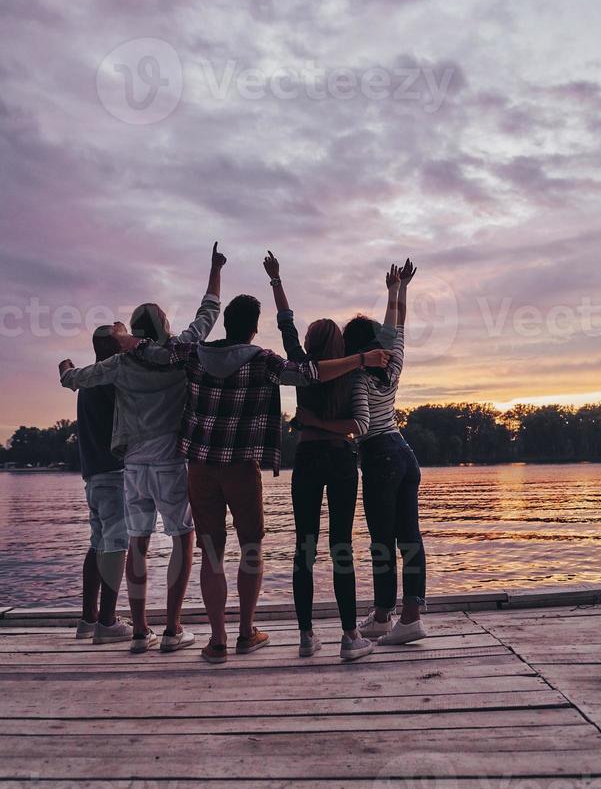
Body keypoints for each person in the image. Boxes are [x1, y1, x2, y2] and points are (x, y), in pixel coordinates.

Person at [119, 255, 391, 666]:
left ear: (226, 324)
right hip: (243, 469)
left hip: (201, 470)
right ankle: (248, 632)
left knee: (211, 553)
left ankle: (217, 642)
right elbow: (311, 373)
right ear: (252, 328)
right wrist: (359, 360)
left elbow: (158, 352)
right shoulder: (263, 361)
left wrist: (129, 341)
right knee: (253, 549)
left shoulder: (194, 354)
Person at [59, 243, 223, 654]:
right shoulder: (180, 352)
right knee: (183, 539)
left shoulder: (119, 365)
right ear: (162, 326)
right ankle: (172, 629)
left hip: (132, 466)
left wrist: (64, 368)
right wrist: (215, 269)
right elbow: (208, 313)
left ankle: (137, 631)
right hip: (170, 459)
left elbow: (74, 379)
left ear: (134, 329)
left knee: (137, 542)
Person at [263, 251, 374, 662]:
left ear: (310, 345)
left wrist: (276, 279)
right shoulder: (353, 373)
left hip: (308, 460)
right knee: (341, 547)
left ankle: (307, 636)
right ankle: (349, 637)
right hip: (342, 462)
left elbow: (285, 322)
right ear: (340, 344)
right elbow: (357, 426)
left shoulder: (301, 366)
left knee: (304, 547)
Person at [346, 259, 427, 644]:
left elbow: (361, 425)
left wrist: (327, 429)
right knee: (409, 536)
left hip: (379, 455)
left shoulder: (357, 377)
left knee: (382, 540)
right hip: (406, 453)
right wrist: (399, 289)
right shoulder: (393, 364)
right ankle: (410, 615)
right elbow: (398, 324)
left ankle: (382, 615)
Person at [72, 325, 131, 645]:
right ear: (113, 345)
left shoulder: (87, 380)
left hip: (93, 476)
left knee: (98, 544)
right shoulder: (112, 378)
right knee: (117, 545)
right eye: (123, 338)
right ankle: (107, 623)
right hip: (114, 475)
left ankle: (88, 618)